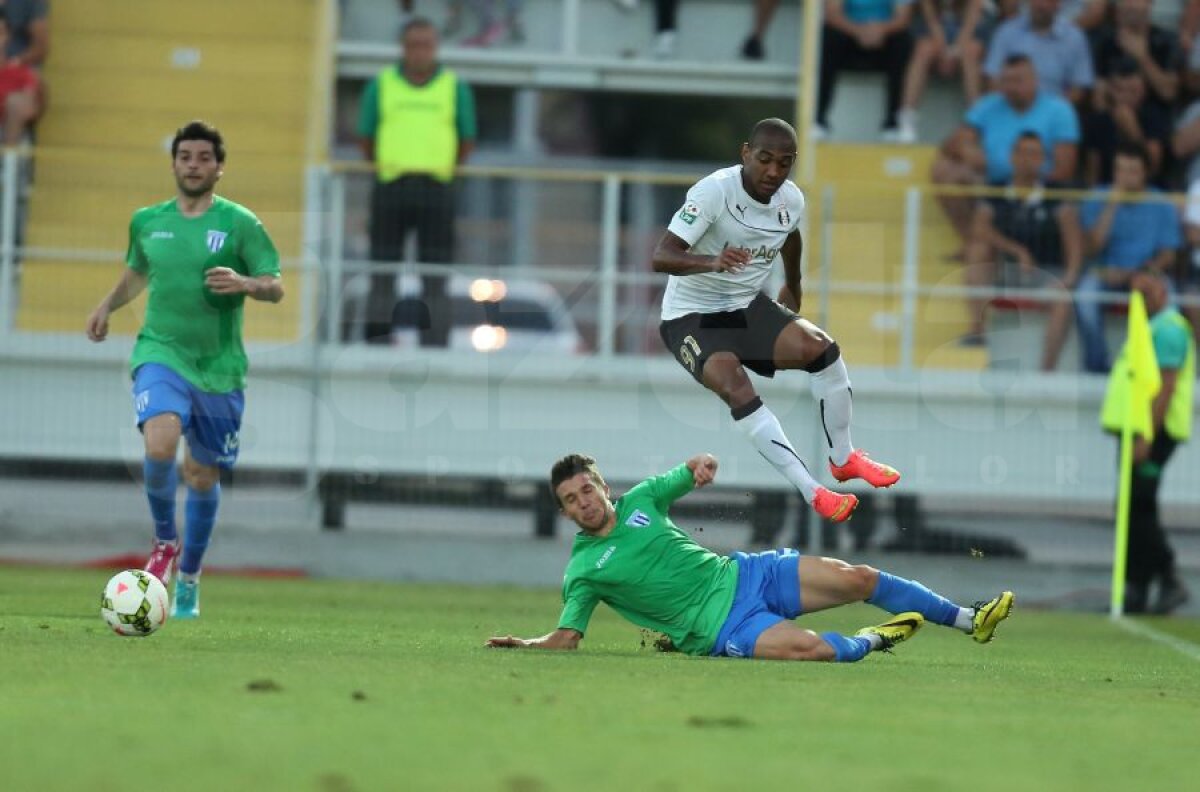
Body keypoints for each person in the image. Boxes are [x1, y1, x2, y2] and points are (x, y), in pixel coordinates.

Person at [486, 453, 1015, 660]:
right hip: (721, 628)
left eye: (587, 490)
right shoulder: (582, 571)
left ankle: (972, 619)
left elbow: (687, 471)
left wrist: (701, 466)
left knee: (859, 577)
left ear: (602, 486)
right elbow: (567, 638)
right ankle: (875, 639)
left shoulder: (643, 499)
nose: (584, 503)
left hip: (748, 574)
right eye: (571, 501)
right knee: (810, 651)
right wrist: (524, 643)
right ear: (565, 512)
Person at [652, 118, 897, 524]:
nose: (773, 171)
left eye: (784, 163)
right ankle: (813, 491)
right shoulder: (714, 191)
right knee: (736, 386)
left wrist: (794, 285)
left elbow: (791, 235)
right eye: (764, 159)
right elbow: (662, 256)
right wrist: (712, 261)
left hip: (745, 306)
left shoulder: (791, 199)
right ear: (745, 153)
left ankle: (844, 458)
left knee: (823, 349)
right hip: (690, 318)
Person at [84, 121, 284, 619]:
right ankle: (164, 542)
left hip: (219, 367)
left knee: (199, 474)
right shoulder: (148, 221)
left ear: (219, 167)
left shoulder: (240, 223)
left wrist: (244, 283)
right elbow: (137, 270)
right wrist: (107, 305)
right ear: (174, 163)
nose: (193, 165)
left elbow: (275, 285)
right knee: (159, 443)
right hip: (161, 352)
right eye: (185, 156)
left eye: (203, 158)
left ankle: (190, 577)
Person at [356, 17, 477, 346]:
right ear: (403, 48)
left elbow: (467, 138)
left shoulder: (454, 87)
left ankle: (435, 347)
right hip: (391, 187)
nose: (420, 52)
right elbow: (365, 137)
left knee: (435, 276)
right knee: (382, 273)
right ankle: (377, 345)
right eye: (413, 45)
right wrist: (387, 166)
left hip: (437, 189)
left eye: (426, 45)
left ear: (435, 48)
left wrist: (443, 168)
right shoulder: (381, 85)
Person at [1100, 270, 1193, 614]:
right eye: (1135, 291)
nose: (1141, 297)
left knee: (1136, 508)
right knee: (1134, 508)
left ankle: (1168, 577)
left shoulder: (1167, 329)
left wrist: (1145, 436)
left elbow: (1165, 388)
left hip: (1154, 432)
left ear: (1163, 289)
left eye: (1147, 289)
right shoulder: (1149, 328)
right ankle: (1137, 589)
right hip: (1140, 430)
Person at [962, 132, 1083, 369]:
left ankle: (1046, 370)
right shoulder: (996, 191)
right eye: (1023, 152)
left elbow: (1074, 240)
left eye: (1034, 153)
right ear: (1012, 157)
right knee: (977, 250)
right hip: (1006, 271)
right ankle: (977, 331)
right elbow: (979, 228)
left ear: (1043, 160)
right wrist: (1017, 250)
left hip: (1046, 273)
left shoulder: (1055, 194)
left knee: (1062, 298)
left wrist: (1070, 276)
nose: (1028, 159)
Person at [932, 54, 1079, 247]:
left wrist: (1026, 178)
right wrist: (966, 149)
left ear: (1035, 80)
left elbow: (1065, 169)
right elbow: (949, 145)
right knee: (944, 170)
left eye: (1017, 81)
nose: (1010, 87)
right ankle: (970, 241)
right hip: (993, 185)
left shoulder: (1059, 110)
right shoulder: (989, 104)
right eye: (1005, 81)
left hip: (1038, 188)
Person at [1077, 142, 1181, 373]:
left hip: (1147, 272)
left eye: (1132, 170)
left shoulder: (1162, 204)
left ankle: (1160, 366)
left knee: (1171, 299)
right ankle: (1097, 367)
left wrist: (1146, 271)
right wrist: (1112, 204)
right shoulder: (1098, 198)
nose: (1125, 177)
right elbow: (1091, 249)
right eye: (1119, 170)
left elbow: (1168, 254)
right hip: (1105, 273)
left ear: (1145, 173)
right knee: (1084, 297)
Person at [816, 0, 916, 140]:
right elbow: (832, 13)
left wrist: (879, 30)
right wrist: (859, 31)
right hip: (849, 36)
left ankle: (893, 124)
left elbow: (903, 18)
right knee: (828, 38)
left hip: (884, 38)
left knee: (903, 43)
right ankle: (818, 120)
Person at [895, 0, 989, 144]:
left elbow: (973, 16)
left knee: (971, 52)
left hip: (968, 27)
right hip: (936, 28)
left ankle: (977, 120)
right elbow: (931, 20)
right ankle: (907, 117)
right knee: (923, 49)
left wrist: (955, 51)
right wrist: (943, 50)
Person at [1081, 56, 1170, 187]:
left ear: (1143, 90)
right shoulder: (1097, 122)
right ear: (1110, 90)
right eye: (1120, 90)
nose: (1126, 97)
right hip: (1107, 189)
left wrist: (1133, 130)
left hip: (1145, 190)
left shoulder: (1153, 117)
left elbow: (1153, 169)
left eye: (1133, 90)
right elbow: (1093, 172)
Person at [982, 0, 1093, 103]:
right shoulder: (1006, 32)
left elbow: (1078, 87)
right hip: (1011, 109)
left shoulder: (1074, 37)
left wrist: (1054, 112)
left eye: (1048, 1)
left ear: (1058, 4)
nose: (1041, 5)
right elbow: (993, 78)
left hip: (1053, 114)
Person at [1091, 0, 1180, 114]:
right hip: (1112, 112)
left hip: (1154, 113)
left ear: (1149, 4)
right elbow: (1097, 98)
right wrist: (1115, 91)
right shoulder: (1105, 40)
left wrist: (1142, 57)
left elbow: (1168, 92)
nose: (1131, 5)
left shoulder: (1166, 41)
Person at [0, 10, 40, 145]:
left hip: (7, 133)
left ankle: (8, 162)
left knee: (16, 102)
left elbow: (30, 106)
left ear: (7, 36)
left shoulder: (22, 73)